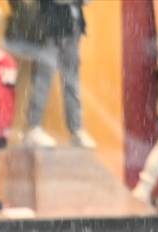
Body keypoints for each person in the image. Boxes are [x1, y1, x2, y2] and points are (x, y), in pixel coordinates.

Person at [7, 0, 94, 149]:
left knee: (72, 81)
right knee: (43, 79)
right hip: (49, 27)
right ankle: (33, 127)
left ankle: (76, 129)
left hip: (73, 26)